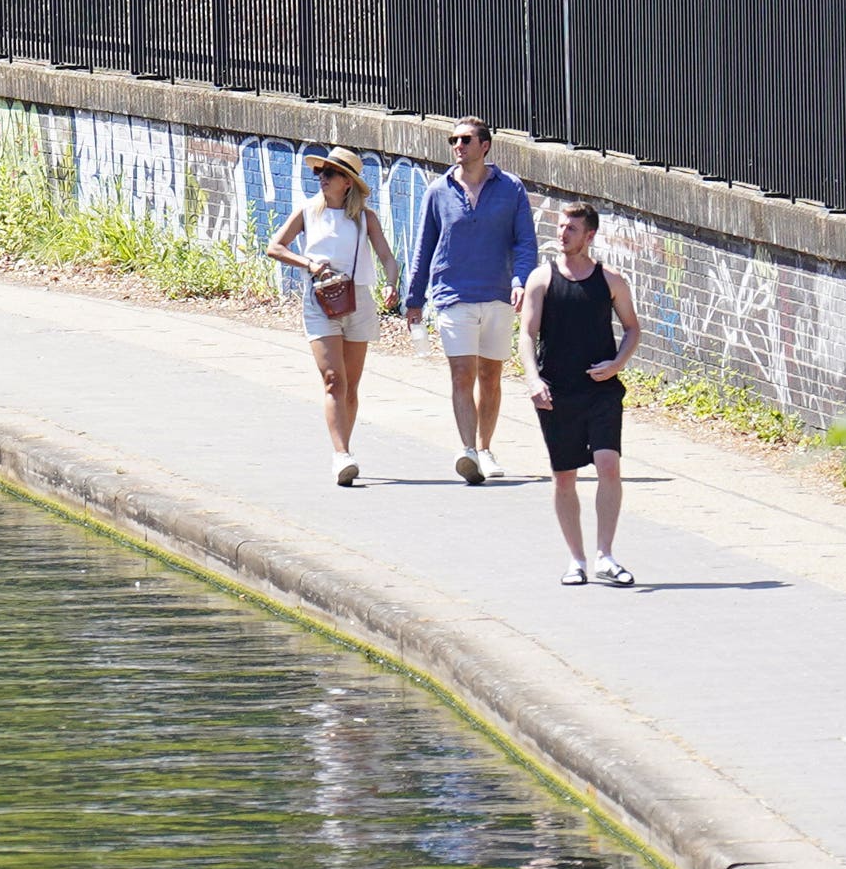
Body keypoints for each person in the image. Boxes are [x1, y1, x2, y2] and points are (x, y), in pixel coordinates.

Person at [400, 114, 539, 486]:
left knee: (490, 376)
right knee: (462, 373)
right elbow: (423, 247)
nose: (457, 147)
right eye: (453, 141)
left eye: (464, 140)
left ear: (484, 146)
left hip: (497, 295)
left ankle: (486, 447)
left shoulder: (511, 189)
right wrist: (414, 299)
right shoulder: (438, 190)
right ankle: (468, 451)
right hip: (452, 294)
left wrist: (521, 280)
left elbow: (525, 241)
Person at [521, 201, 644, 586]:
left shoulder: (611, 281)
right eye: (560, 227)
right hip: (557, 391)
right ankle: (576, 560)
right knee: (564, 477)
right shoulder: (541, 280)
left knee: (608, 464)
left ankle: (605, 554)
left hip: (601, 390)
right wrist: (533, 379)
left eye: (571, 229)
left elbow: (632, 329)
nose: (562, 234)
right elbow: (527, 334)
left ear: (589, 236)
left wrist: (617, 364)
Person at [266, 143, 399, 487]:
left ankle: (346, 448)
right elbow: (274, 246)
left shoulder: (365, 218)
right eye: (320, 173)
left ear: (348, 182)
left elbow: (387, 255)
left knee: (351, 386)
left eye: (330, 174)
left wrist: (392, 283)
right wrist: (308, 263)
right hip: (320, 299)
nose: (322, 179)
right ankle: (341, 454)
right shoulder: (309, 211)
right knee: (332, 379)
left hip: (358, 299)